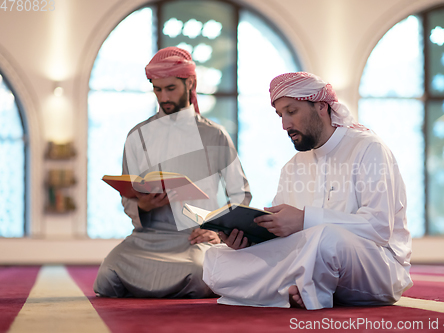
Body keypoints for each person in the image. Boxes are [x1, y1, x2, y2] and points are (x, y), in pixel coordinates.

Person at [202, 72, 412, 309]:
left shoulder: (368, 148)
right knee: (216, 258)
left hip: (375, 266)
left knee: (326, 239)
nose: (284, 124)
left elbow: (378, 227)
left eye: (291, 111)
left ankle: (294, 288)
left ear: (321, 106)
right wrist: (248, 241)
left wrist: (304, 220)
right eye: (280, 115)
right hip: (309, 259)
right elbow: (283, 237)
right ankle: (303, 288)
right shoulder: (292, 167)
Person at [94, 47, 251, 298]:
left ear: (189, 83)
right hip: (147, 237)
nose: (163, 97)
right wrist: (143, 205)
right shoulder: (137, 136)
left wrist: (218, 233)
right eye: (157, 89)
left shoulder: (215, 135)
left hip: (194, 238)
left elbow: (240, 195)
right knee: (107, 277)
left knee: (198, 276)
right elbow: (128, 197)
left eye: (170, 88)